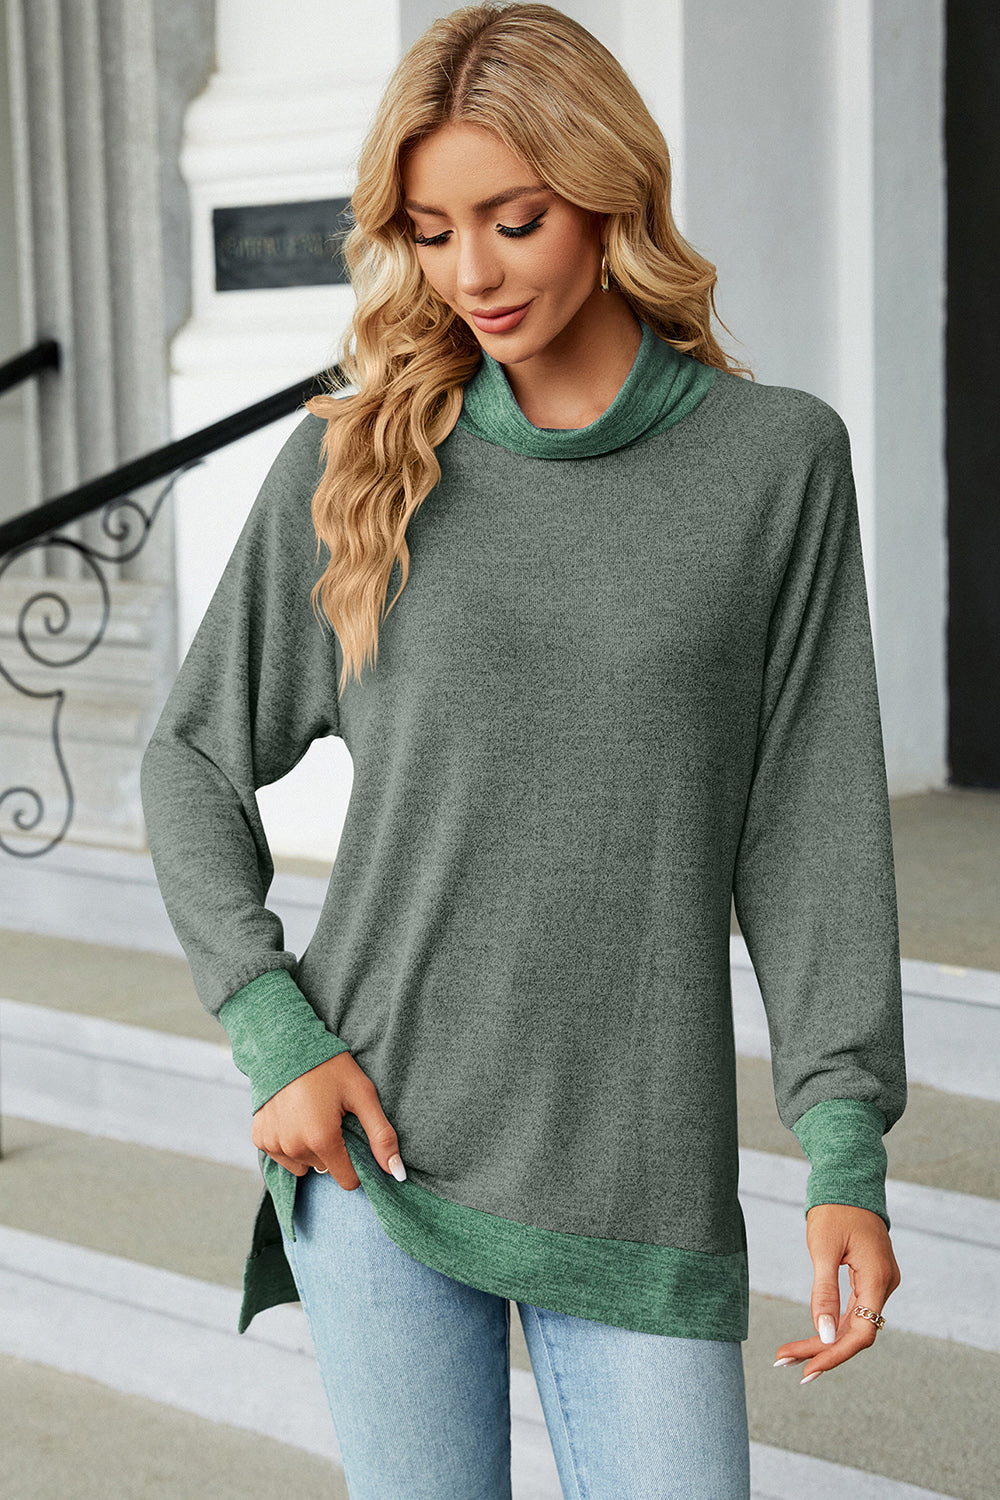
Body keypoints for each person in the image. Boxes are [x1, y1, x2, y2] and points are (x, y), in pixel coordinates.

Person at [140, 4, 906, 1496]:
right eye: (431, 233)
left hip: (639, 1172)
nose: (473, 275)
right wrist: (275, 1030)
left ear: (611, 197)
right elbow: (189, 760)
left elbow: (811, 836)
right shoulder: (360, 463)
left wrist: (844, 1151)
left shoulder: (775, 464)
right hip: (378, 1145)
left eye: (515, 220)